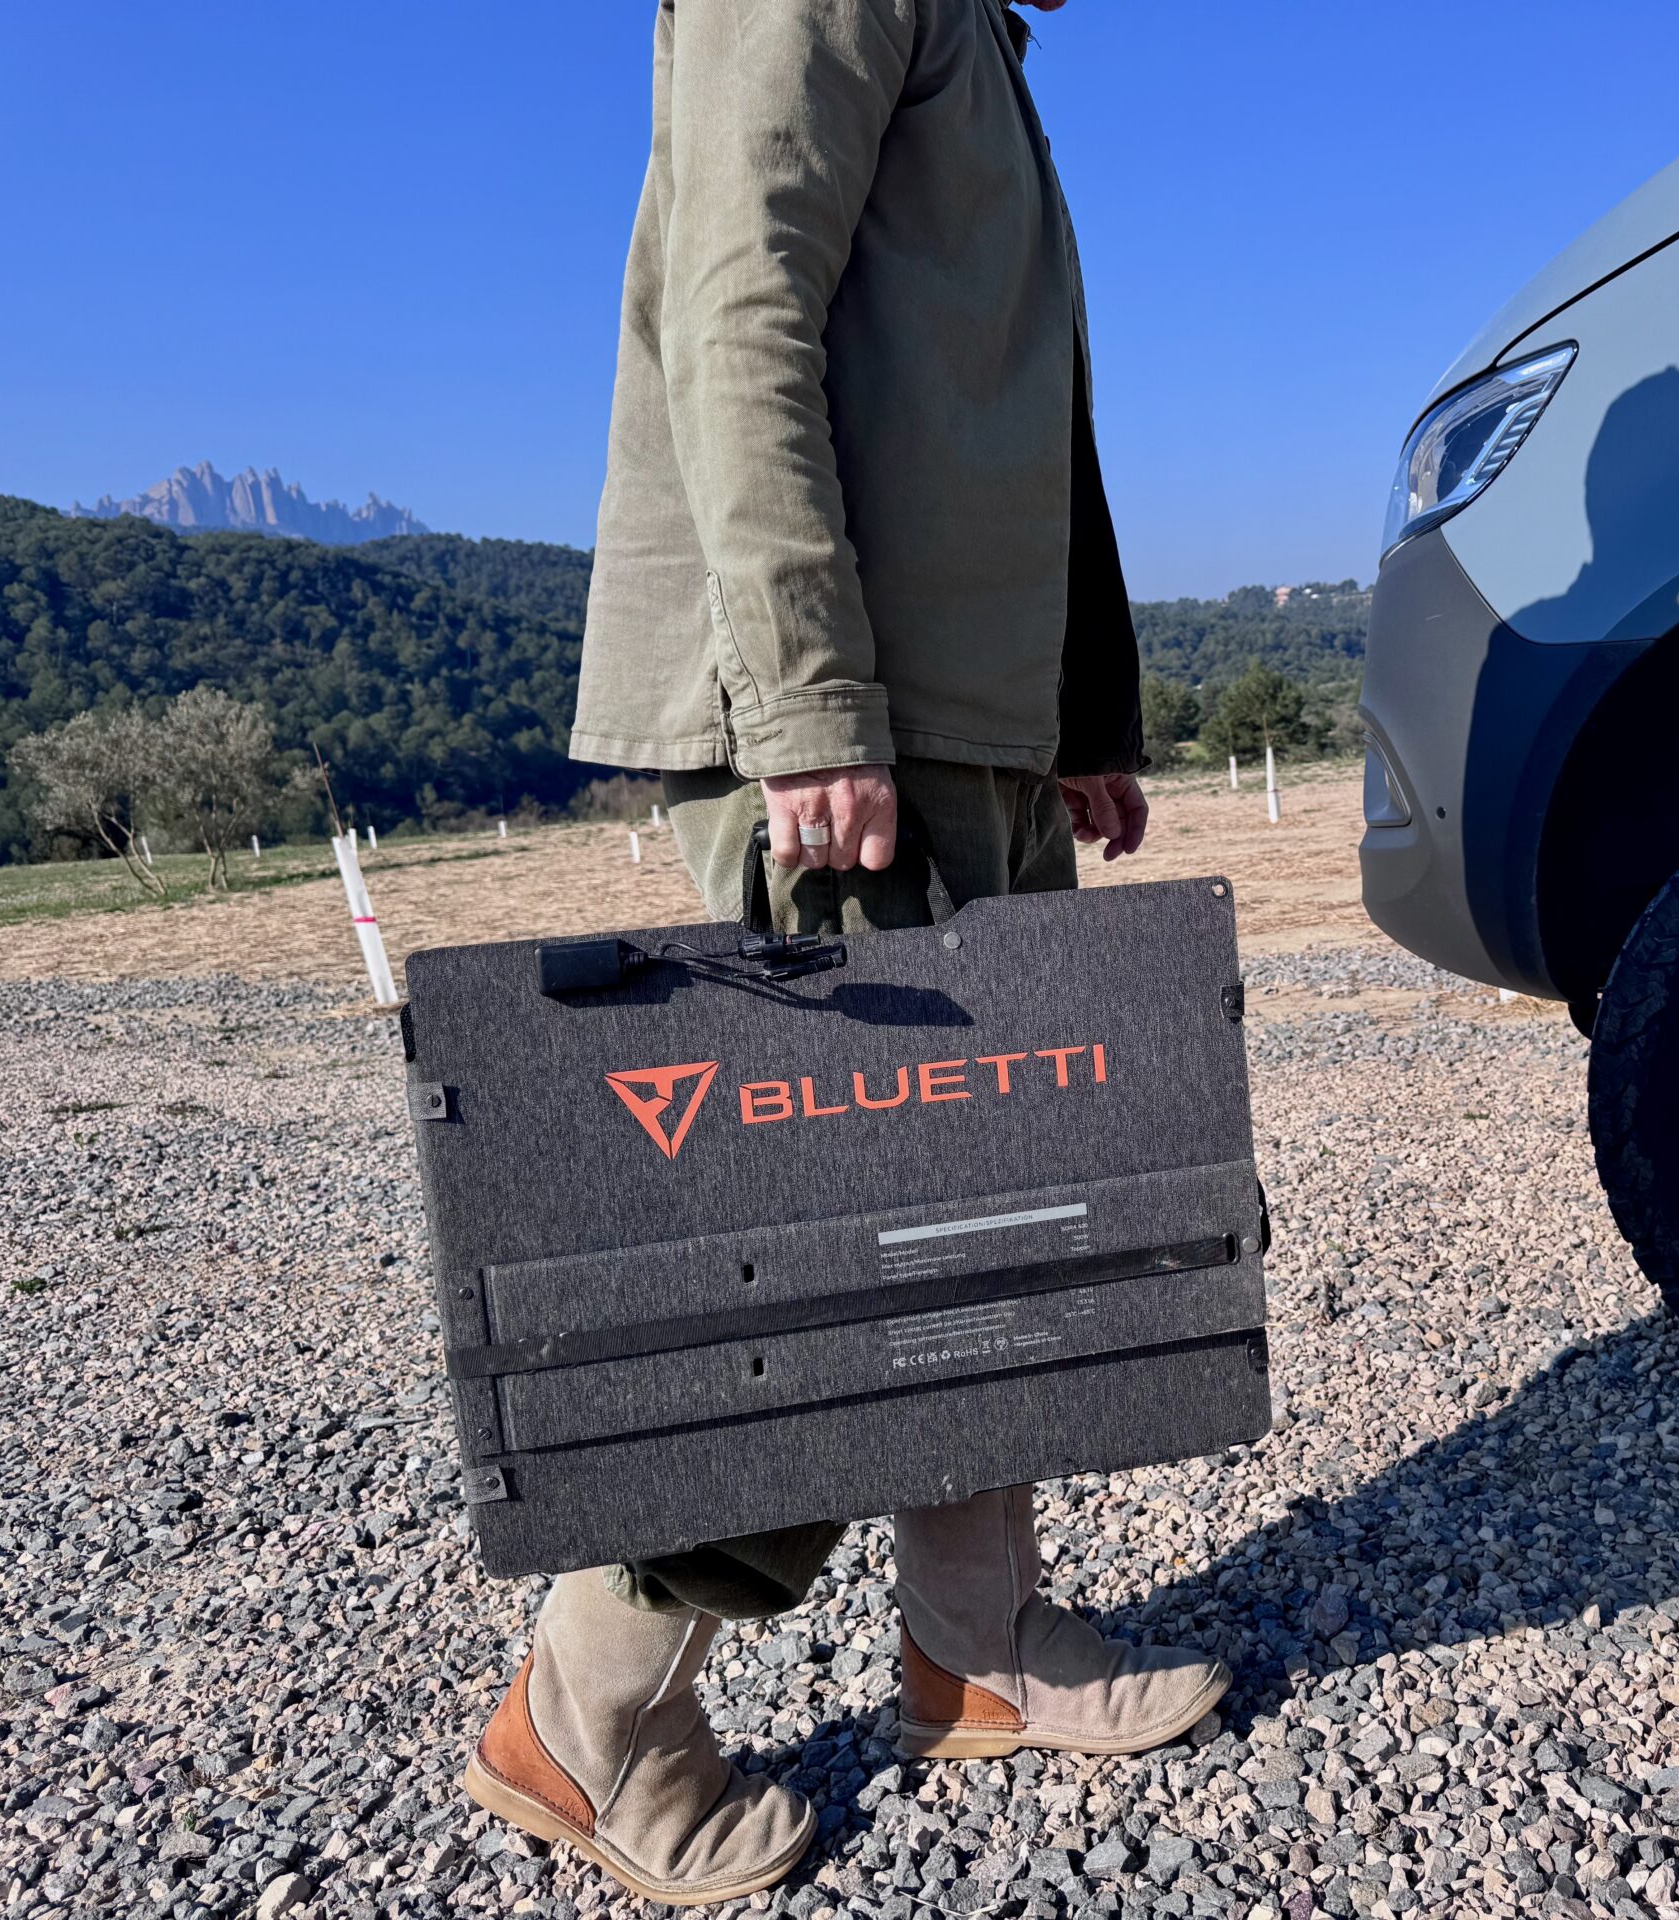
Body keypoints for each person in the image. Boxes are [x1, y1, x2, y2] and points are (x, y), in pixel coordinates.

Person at [459, 0, 1228, 1903]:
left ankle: (974, 1645)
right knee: (814, 1241)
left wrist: (1075, 710)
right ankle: (594, 1707)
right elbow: (737, 309)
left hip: (960, 714)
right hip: (852, 721)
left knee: (982, 1220)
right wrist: (807, 700)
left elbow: (1015, 394)